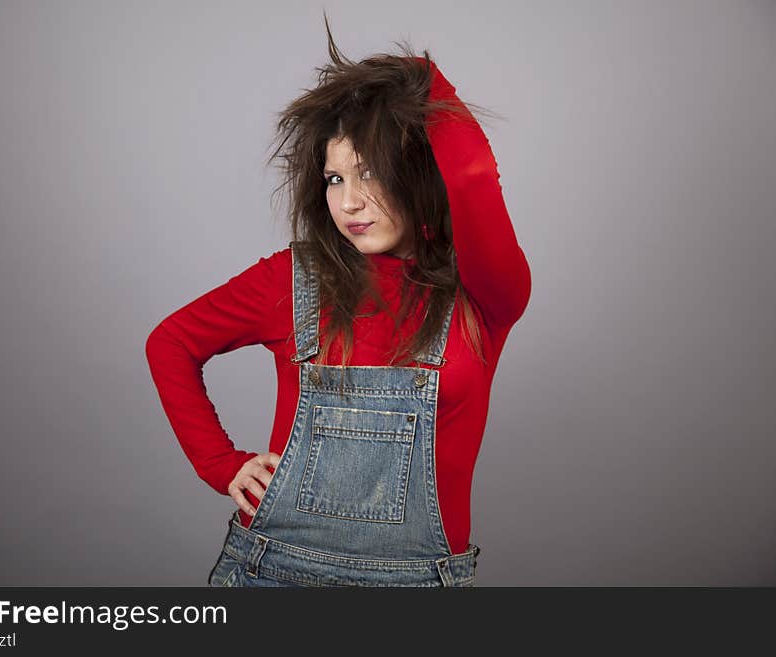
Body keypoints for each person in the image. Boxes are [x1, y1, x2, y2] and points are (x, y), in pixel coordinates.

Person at [145, 29, 532, 587]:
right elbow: (171, 342)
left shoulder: (483, 293)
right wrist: (219, 463)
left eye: (370, 172)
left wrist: (407, 81)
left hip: (415, 581)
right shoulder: (293, 278)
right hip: (271, 571)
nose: (348, 202)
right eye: (334, 178)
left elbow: (471, 175)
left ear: (419, 175)